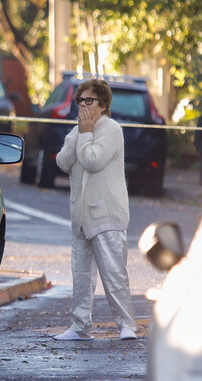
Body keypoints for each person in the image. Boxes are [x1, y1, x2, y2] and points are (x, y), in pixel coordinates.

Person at [53, 79, 137, 341]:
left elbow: (93, 160)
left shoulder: (111, 129)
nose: (84, 105)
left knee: (114, 274)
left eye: (90, 101)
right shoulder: (79, 130)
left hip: (107, 214)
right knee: (81, 275)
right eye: (81, 101)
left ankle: (127, 325)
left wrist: (86, 134)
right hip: (81, 215)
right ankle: (79, 326)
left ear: (103, 105)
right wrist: (80, 133)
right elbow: (62, 161)